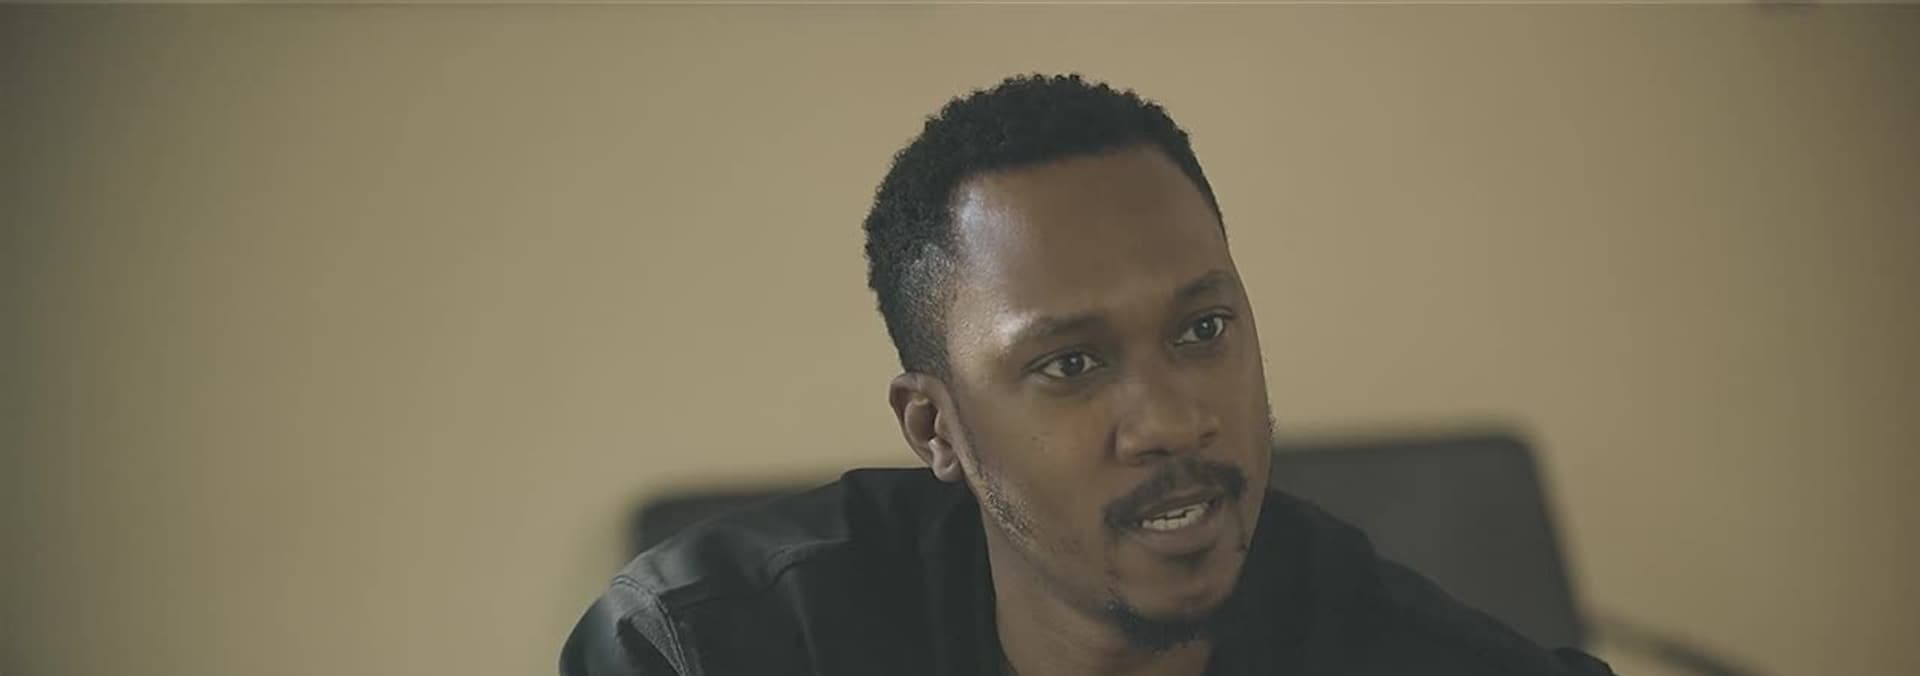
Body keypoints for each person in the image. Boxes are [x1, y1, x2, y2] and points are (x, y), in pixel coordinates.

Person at [560, 74, 1615, 676]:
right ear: (934, 428)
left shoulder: (1406, 652)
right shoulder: (714, 646)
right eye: (1069, 362)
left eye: (1202, 329)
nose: (1172, 420)